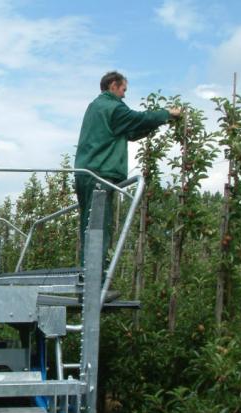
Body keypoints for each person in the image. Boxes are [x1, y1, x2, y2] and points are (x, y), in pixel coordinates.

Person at [75, 71, 181, 270]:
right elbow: (136, 118)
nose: (124, 95)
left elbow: (130, 131)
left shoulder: (95, 107)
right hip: (100, 174)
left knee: (88, 226)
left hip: (85, 173)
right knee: (99, 228)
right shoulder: (113, 107)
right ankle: (93, 282)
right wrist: (167, 114)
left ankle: (88, 274)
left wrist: (153, 125)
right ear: (113, 85)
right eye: (123, 90)